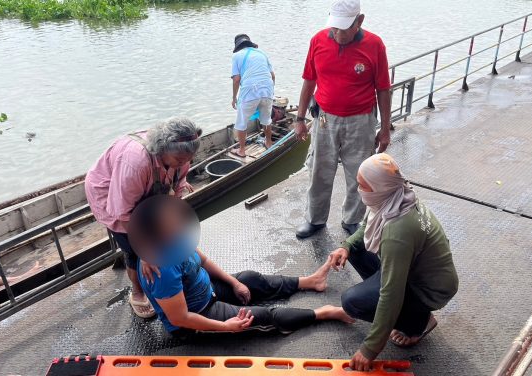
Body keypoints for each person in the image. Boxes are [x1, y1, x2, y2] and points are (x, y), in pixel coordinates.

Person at [129, 195, 355, 336]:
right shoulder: (160, 269)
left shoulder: (177, 236)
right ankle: (322, 314)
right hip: (198, 315)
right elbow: (180, 318)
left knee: (251, 278)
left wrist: (234, 282)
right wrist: (226, 327)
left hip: (209, 290)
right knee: (261, 316)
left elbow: (204, 261)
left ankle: (310, 281)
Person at [327, 153, 459, 371]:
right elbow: (368, 224)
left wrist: (370, 348)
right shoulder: (396, 196)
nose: (358, 190)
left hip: (429, 289)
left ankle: (418, 323)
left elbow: (391, 293)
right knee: (356, 248)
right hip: (412, 268)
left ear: (379, 187)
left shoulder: (397, 230)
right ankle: (405, 311)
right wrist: (346, 246)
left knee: (351, 301)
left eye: (363, 186)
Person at [85, 117, 202, 318]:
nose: (184, 164)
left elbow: (177, 185)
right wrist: (145, 251)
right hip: (112, 195)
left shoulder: (181, 157)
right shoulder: (135, 161)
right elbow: (122, 212)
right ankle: (137, 291)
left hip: (146, 189)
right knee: (133, 251)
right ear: (163, 150)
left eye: (187, 160)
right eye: (179, 161)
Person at [294, 0, 392, 239]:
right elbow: (309, 80)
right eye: (334, 27)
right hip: (325, 119)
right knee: (319, 171)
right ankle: (315, 219)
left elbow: (383, 89)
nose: (337, 34)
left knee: (358, 174)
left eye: (344, 28)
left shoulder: (374, 44)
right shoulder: (318, 40)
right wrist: (299, 117)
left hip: (361, 121)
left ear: (359, 21)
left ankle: (352, 220)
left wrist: (385, 128)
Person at [231, 34, 275, 157]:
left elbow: (236, 79)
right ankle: (268, 143)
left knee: (242, 121)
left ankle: (242, 150)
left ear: (238, 46)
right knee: (266, 119)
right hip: (267, 89)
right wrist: (271, 92)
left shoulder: (236, 56)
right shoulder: (261, 53)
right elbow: (273, 76)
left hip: (250, 90)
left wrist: (234, 98)